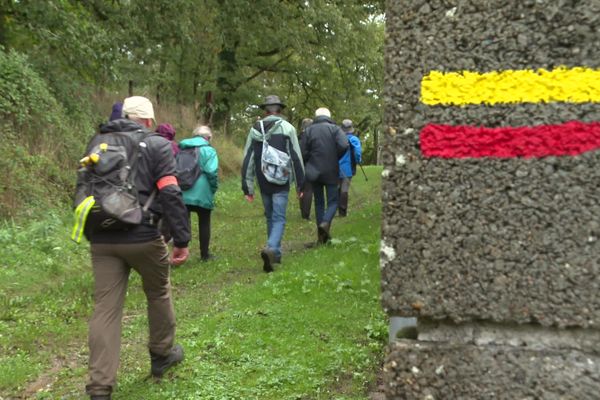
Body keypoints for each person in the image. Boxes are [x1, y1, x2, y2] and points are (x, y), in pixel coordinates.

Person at [76, 96, 190, 400]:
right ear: (149, 121)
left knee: (105, 309)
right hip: (142, 236)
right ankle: (162, 355)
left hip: (101, 237)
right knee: (158, 291)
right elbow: (170, 191)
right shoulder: (156, 145)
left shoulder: (96, 141)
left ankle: (100, 387)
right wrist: (181, 239)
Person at [241, 95, 304, 272]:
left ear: (266, 110)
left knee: (270, 216)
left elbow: (248, 159)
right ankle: (272, 248)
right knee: (279, 218)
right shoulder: (287, 128)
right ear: (280, 110)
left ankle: (274, 253)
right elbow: (296, 158)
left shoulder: (255, 129)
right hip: (281, 179)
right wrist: (301, 184)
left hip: (263, 179)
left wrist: (248, 187)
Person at [301, 107, 348, 244]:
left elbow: (303, 151)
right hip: (331, 169)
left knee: (319, 202)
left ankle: (321, 238)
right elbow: (344, 144)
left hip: (314, 170)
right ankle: (325, 223)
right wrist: (335, 156)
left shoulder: (308, 130)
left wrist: (309, 160)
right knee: (333, 201)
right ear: (329, 116)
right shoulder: (335, 129)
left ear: (316, 116)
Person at [179, 125, 219, 261]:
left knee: (184, 222)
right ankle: (204, 255)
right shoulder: (209, 151)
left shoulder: (182, 148)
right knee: (204, 222)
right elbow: (211, 171)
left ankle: (181, 252)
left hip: (183, 189)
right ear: (207, 137)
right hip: (202, 190)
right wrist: (213, 188)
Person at [156, 123, 180, 243]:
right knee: (169, 209)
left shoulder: (152, 143)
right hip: (170, 181)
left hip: (154, 181)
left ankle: (155, 233)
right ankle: (167, 235)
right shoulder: (175, 147)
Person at [338, 119, 362, 217]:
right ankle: (342, 212)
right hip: (347, 167)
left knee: (337, 188)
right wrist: (358, 161)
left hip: (335, 167)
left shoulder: (337, 138)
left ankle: (334, 208)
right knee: (344, 189)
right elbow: (357, 153)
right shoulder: (354, 139)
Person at [298, 118, 314, 220]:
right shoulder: (310, 138)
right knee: (308, 190)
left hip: (298, 166)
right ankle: (306, 214)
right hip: (308, 165)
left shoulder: (298, 137)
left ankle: (303, 211)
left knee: (301, 188)